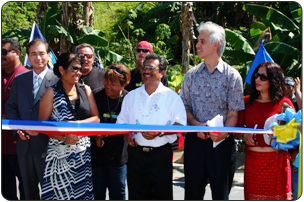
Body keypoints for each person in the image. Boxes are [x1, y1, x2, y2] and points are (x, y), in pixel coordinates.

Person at [180, 21, 245, 200]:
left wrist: (222, 133)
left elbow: (233, 114)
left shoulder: (232, 76)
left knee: (220, 195)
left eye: (202, 41)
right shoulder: (191, 75)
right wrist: (195, 125)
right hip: (195, 143)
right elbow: (184, 107)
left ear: (216, 44)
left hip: (222, 145)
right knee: (192, 195)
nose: (197, 45)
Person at [117, 54, 187, 200]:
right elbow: (121, 122)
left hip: (160, 156)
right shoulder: (131, 96)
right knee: (136, 195)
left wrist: (160, 132)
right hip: (136, 155)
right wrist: (127, 135)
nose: (146, 71)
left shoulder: (172, 97)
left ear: (162, 72)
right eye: (144, 67)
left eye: (150, 68)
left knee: (161, 196)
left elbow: (181, 124)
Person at [37, 52, 100, 200]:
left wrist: (78, 125)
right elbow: (42, 125)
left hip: (82, 155)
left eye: (79, 68)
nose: (78, 72)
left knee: (81, 194)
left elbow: (96, 119)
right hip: (59, 155)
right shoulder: (51, 93)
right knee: (59, 195)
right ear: (61, 70)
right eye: (74, 68)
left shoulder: (86, 90)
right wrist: (64, 138)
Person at [5, 39, 58, 200]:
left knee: (52, 193)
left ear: (48, 56)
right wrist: (18, 129)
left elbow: (62, 113)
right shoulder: (20, 80)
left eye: (42, 53)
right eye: (33, 54)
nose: (38, 58)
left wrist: (44, 129)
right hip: (24, 145)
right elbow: (11, 107)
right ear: (28, 57)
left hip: (50, 147)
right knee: (28, 192)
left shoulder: (58, 81)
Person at [237, 62, 294, 200]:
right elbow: (236, 128)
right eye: (257, 76)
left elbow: (294, 133)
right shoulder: (247, 102)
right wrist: (245, 134)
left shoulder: (285, 104)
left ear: (274, 80)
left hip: (277, 162)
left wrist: (282, 132)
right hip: (253, 163)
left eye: (263, 77)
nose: (257, 79)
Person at [91, 64, 131, 200]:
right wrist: (97, 137)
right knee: (97, 193)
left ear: (123, 84)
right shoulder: (96, 95)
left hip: (119, 157)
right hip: (97, 156)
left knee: (118, 193)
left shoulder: (128, 99)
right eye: (106, 82)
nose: (107, 86)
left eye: (112, 83)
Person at [2, 38, 28, 200]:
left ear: (17, 53)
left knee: (27, 188)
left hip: (21, 145)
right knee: (6, 191)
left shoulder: (27, 76)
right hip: (1, 147)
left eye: (4, 52)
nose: (1, 56)